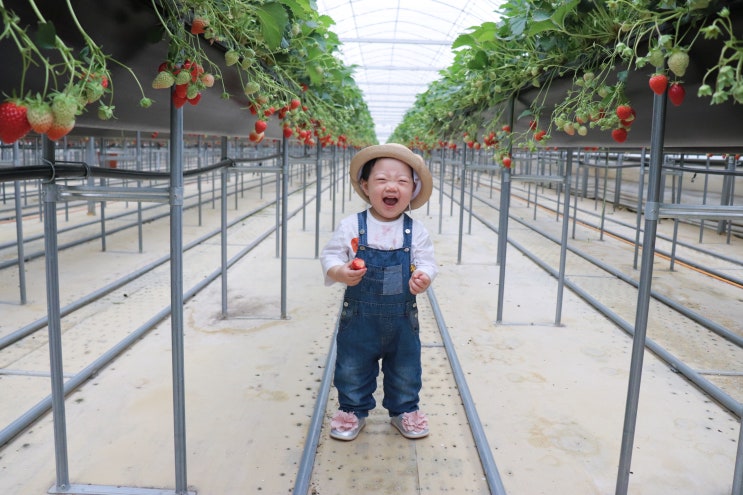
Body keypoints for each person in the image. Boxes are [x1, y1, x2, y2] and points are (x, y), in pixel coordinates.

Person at [320, 143, 437, 441]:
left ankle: (404, 410)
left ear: (412, 189)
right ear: (365, 185)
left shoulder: (416, 231)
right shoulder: (352, 226)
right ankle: (352, 410)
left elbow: (426, 261)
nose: (392, 187)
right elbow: (331, 255)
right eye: (382, 180)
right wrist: (340, 271)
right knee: (352, 366)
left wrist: (423, 276)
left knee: (406, 367)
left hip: (401, 318)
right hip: (359, 317)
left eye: (401, 181)